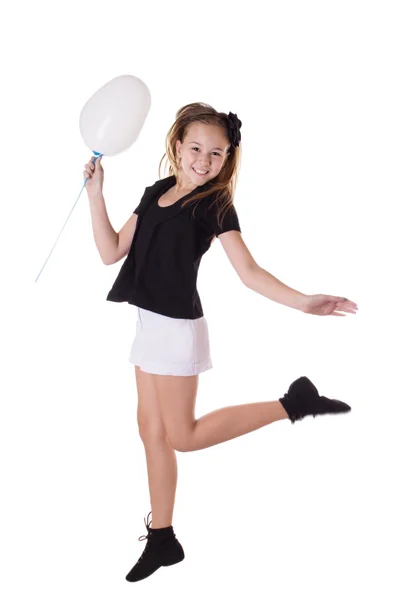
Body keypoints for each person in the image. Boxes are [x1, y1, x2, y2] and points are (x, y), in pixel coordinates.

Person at [84, 102, 358, 583]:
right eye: (196, 148)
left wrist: (303, 301)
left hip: (177, 332)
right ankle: (163, 538)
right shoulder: (156, 193)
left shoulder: (214, 206)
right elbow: (110, 252)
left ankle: (294, 403)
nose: (204, 160)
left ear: (227, 158)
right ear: (176, 146)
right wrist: (95, 193)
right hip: (147, 326)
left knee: (182, 437)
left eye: (217, 153)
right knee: (150, 434)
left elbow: (249, 272)